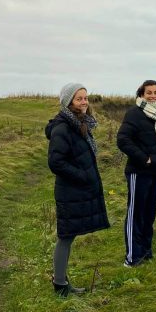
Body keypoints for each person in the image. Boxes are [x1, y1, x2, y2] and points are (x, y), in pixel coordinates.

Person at [45, 83, 110, 297]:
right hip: (69, 190)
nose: (84, 102)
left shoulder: (79, 124)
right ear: (68, 102)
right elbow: (56, 162)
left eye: (85, 98)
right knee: (66, 235)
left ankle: (61, 281)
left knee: (68, 235)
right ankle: (60, 285)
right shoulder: (63, 128)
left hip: (75, 190)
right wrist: (82, 176)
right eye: (79, 99)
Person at [117, 79, 156, 267]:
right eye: (149, 92)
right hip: (139, 172)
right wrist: (145, 159)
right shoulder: (134, 113)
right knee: (136, 214)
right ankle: (132, 258)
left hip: (155, 173)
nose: (153, 96)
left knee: (149, 214)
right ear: (141, 94)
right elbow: (123, 140)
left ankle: (145, 251)